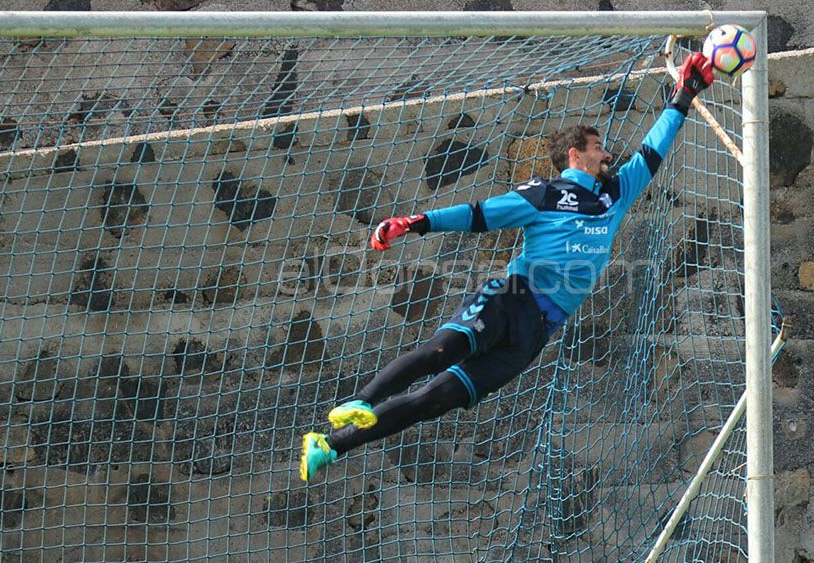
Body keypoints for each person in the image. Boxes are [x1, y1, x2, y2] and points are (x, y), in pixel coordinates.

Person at [299, 52, 714, 481]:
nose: (608, 154)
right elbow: (479, 214)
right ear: (576, 154)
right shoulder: (543, 194)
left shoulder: (616, 195)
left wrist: (684, 93)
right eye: (598, 147)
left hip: (538, 331)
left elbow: (652, 150)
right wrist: (417, 223)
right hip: (513, 297)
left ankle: (328, 445)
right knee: (442, 351)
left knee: (436, 400)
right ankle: (363, 401)